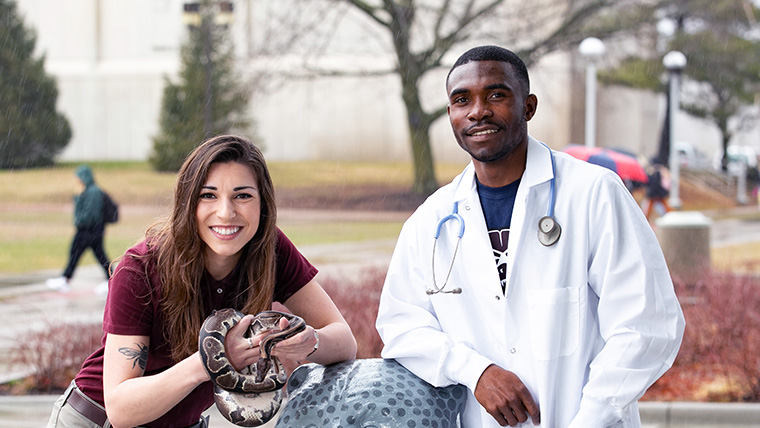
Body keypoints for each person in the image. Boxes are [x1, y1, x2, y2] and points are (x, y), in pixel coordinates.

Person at [375, 46, 685, 428]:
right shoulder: (431, 222)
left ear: (528, 106)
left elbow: (646, 324)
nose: (478, 111)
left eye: (496, 95)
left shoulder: (593, 194)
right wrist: (476, 371)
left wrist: (591, 418)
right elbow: (401, 326)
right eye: (461, 100)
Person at [47, 135, 357, 428]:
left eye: (243, 196)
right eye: (208, 195)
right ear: (187, 203)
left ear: (263, 205)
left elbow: (344, 341)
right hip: (97, 420)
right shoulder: (140, 268)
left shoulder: (270, 249)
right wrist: (215, 360)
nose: (226, 212)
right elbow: (120, 407)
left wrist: (307, 341)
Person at [46, 165, 112, 294]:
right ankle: (110, 279)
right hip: (90, 230)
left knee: (77, 253)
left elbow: (90, 213)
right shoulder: (87, 190)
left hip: (89, 230)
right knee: (98, 255)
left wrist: (80, 221)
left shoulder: (93, 192)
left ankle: (65, 279)